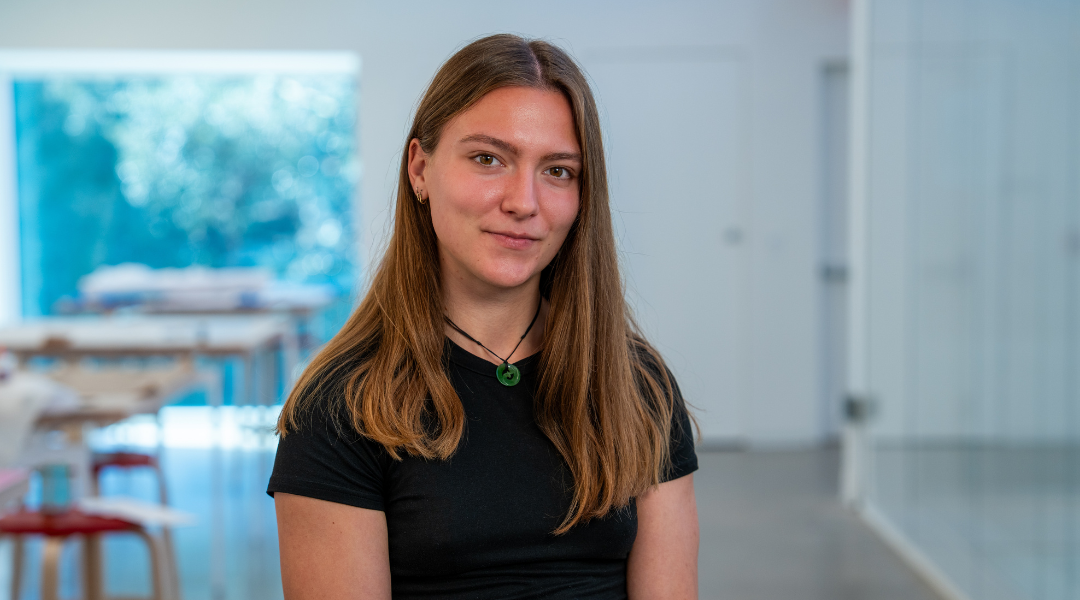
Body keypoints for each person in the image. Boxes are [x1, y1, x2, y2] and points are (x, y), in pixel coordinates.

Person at [267, 34, 699, 600]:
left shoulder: (634, 384)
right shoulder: (342, 405)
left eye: (558, 171)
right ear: (420, 169)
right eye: (488, 159)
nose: (524, 201)